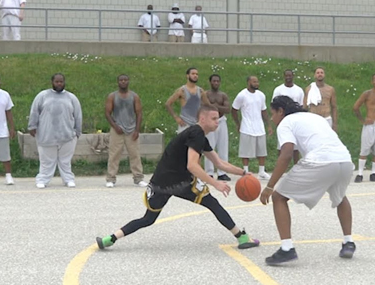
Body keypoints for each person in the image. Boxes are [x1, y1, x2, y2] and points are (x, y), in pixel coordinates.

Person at [95, 104, 260, 251]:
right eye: (214, 118)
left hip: (160, 182)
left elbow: (219, 163)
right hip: (180, 182)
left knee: (148, 219)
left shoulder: (196, 134)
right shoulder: (197, 134)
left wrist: (243, 173)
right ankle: (242, 237)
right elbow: (192, 166)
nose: (218, 121)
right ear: (202, 118)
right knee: (213, 203)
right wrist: (215, 183)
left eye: (218, 118)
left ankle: (110, 239)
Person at [260, 96, 355, 265]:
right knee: (340, 197)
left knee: (278, 197)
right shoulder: (314, 117)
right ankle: (348, 242)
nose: (272, 118)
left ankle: (287, 249)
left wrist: (269, 186)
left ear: (281, 111)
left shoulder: (286, 122)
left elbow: (287, 153)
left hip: (321, 161)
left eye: (272, 114)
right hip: (344, 160)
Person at [28, 73, 82, 188]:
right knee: (46, 161)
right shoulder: (43, 96)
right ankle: (42, 179)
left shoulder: (71, 97)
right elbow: (34, 112)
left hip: (67, 135)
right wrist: (32, 126)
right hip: (46, 134)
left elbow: (78, 115)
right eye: (56, 82)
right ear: (52, 82)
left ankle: (68, 179)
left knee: (65, 161)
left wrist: (77, 131)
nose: (59, 84)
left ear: (64, 82)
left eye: (61, 81)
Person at [104, 74, 147, 188]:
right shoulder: (112, 96)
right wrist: (114, 126)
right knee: (114, 154)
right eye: (121, 80)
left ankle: (138, 178)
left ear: (128, 82)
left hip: (131, 129)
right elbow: (107, 113)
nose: (123, 82)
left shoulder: (134, 96)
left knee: (135, 154)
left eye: (125, 80)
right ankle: (111, 178)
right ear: (118, 82)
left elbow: (139, 113)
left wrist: (137, 130)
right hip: (117, 130)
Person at [231, 76, 273, 180]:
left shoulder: (261, 95)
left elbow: (264, 111)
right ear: (248, 82)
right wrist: (238, 123)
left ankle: (261, 171)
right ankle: (246, 170)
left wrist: (268, 125)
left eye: (257, 82)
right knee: (246, 151)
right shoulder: (242, 95)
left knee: (262, 151)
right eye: (254, 82)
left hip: (259, 127)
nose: (257, 83)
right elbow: (234, 110)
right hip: (246, 127)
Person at [272, 69, 304, 164]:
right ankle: (280, 165)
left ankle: (296, 166)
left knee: (295, 146)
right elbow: (274, 105)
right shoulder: (278, 90)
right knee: (281, 145)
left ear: (293, 76)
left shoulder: (299, 90)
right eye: (286, 75)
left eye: (290, 75)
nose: (288, 77)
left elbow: (301, 106)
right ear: (284, 76)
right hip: (283, 120)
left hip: (295, 120)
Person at [165, 67, 211, 133]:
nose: (195, 76)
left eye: (197, 74)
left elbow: (208, 105)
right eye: (193, 74)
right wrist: (176, 118)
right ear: (187, 75)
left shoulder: (200, 91)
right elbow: (168, 104)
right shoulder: (182, 90)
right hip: (184, 124)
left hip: (197, 123)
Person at [204, 74, 231, 181]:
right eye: (214, 81)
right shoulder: (205, 94)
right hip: (210, 121)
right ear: (210, 82)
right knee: (209, 146)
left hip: (221, 121)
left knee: (223, 146)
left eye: (217, 81)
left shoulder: (223, 95)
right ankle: (209, 172)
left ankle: (222, 172)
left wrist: (214, 106)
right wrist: (216, 107)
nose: (216, 83)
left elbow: (227, 109)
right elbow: (203, 107)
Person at [0, 74, 15, 185]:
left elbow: (8, 112)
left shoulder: (5, 95)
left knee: (5, 156)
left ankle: (8, 176)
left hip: (1, 131)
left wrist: (12, 128)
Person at [304, 67, 338, 131]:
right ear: (315, 75)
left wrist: (335, 124)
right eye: (318, 73)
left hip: (326, 118)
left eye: (321, 73)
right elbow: (305, 106)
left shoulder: (330, 89)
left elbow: (334, 107)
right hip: (313, 118)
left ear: (324, 75)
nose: (320, 74)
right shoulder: (309, 89)